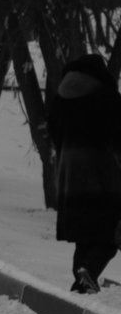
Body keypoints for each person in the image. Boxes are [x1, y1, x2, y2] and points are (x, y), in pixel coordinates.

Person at [47, 53, 121, 294]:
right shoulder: (107, 98)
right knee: (110, 235)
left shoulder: (61, 97)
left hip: (70, 173)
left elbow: (54, 132)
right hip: (102, 173)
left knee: (85, 234)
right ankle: (87, 272)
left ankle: (81, 284)